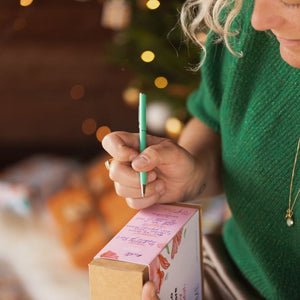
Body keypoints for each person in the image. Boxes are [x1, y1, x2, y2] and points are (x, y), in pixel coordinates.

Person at [102, 0, 300, 298]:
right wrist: (194, 172)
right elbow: (215, 120)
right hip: (227, 271)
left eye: (293, 3)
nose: (259, 20)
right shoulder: (243, 19)